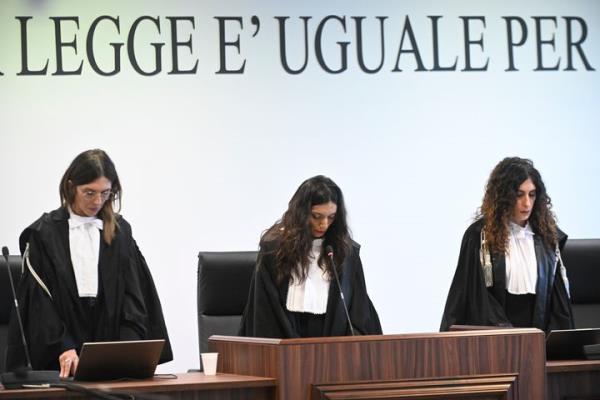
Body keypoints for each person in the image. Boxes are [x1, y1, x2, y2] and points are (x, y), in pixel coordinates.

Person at [6, 149, 172, 377]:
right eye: (89, 193)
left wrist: (126, 350)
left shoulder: (121, 233)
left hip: (112, 352)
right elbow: (40, 304)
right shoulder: (43, 234)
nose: (97, 201)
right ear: (71, 186)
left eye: (105, 193)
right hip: (62, 357)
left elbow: (133, 299)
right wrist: (62, 345)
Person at [238, 175, 382, 338]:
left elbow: (358, 311)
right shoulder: (273, 249)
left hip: (333, 348)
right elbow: (263, 312)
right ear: (301, 213)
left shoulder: (345, 252)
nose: (324, 224)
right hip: (282, 343)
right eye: (316, 216)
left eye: (331, 217)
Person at [440, 157, 573, 332]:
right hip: (494, 341)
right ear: (503, 196)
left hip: (538, 342)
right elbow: (471, 296)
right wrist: (510, 337)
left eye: (531, 194)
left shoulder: (548, 238)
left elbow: (557, 305)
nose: (527, 203)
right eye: (519, 195)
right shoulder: (479, 236)